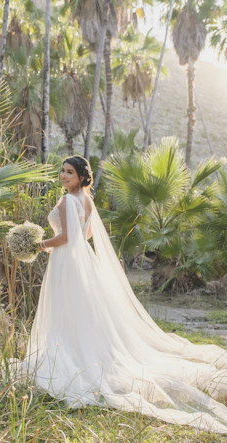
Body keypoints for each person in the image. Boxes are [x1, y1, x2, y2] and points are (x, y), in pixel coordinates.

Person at [21, 155, 227, 434]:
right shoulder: (87, 199)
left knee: (66, 308)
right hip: (79, 262)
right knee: (78, 310)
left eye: (69, 172)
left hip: (67, 262)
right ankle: (79, 351)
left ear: (82, 176)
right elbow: (88, 233)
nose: (63, 176)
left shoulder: (70, 200)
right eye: (62, 171)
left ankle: (68, 356)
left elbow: (69, 237)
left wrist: (38, 244)